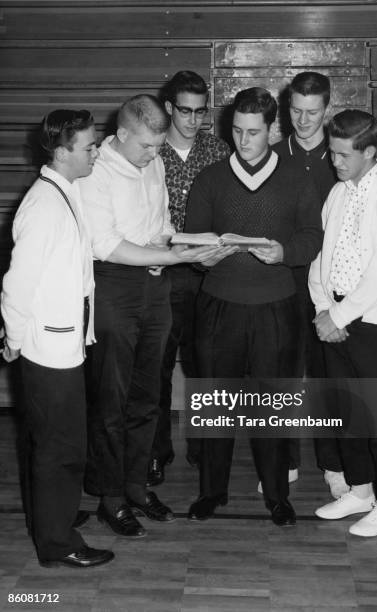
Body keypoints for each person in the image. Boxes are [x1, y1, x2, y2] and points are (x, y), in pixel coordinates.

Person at [78, 94, 219, 538]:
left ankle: (137, 487)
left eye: (157, 148)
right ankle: (111, 497)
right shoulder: (95, 169)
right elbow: (108, 245)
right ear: (120, 135)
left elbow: (160, 229)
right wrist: (175, 257)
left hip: (155, 286)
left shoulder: (152, 161)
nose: (152, 156)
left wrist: (201, 241)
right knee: (111, 398)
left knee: (148, 396)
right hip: (114, 286)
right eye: (144, 147)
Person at [185, 87, 323, 526]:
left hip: (275, 308)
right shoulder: (210, 178)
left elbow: (312, 237)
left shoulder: (296, 178)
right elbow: (194, 236)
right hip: (219, 306)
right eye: (237, 132)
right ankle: (212, 491)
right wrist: (205, 252)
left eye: (253, 133)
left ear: (272, 130)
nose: (244, 142)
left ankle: (278, 495)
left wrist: (284, 253)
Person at [0, 109, 114, 568]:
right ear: (63, 151)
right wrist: (13, 340)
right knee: (59, 449)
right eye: (88, 146)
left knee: (60, 443)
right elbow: (17, 286)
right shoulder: (44, 206)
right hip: (47, 349)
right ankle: (56, 542)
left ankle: (54, 516)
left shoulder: (65, 191)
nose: (95, 153)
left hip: (63, 344)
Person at [309, 109, 377, 537]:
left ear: (369, 151)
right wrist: (322, 308)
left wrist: (337, 316)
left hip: (373, 323)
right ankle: (359, 489)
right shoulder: (338, 193)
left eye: (343, 155)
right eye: (331, 153)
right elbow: (323, 257)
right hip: (332, 318)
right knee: (346, 413)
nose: (335, 162)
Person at [147, 71, 230, 486]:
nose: (193, 119)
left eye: (201, 112)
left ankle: (204, 448)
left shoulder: (218, 150)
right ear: (168, 108)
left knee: (207, 367)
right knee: (156, 368)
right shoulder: (149, 151)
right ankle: (155, 452)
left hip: (207, 278)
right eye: (185, 111)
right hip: (160, 275)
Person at [273, 71, 347, 498]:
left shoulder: (340, 156)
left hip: (329, 285)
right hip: (282, 282)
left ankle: (333, 464)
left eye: (312, 112)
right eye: (296, 111)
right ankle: (284, 458)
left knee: (325, 377)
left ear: (327, 109)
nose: (302, 120)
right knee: (281, 373)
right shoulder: (273, 153)